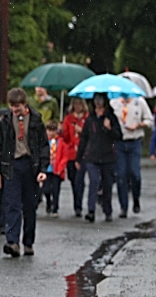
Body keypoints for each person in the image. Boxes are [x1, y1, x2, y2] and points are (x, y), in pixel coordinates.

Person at [0, 88, 49, 257]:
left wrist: (42, 169)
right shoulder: (5, 122)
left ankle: (28, 242)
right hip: (12, 165)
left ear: (25, 104)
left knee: (29, 206)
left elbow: (43, 146)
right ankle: (12, 242)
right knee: (12, 204)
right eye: (12, 106)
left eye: (17, 106)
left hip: (30, 165)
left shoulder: (35, 120)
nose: (14, 109)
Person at [76, 93, 122, 222]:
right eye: (96, 101)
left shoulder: (111, 118)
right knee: (94, 182)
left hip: (108, 157)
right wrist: (78, 158)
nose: (98, 103)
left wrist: (109, 128)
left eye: (100, 101)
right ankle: (91, 210)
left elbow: (119, 136)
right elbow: (84, 138)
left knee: (107, 184)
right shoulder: (90, 119)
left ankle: (107, 210)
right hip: (92, 157)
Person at [109, 95, 154, 218]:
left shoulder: (139, 102)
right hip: (120, 142)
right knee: (121, 175)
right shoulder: (114, 103)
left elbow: (149, 120)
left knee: (135, 174)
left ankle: (136, 197)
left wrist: (139, 125)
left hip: (135, 141)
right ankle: (123, 206)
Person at [61, 98, 89, 217]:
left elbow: (89, 135)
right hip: (71, 153)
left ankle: (78, 205)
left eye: (80, 104)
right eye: (76, 104)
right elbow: (65, 137)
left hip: (83, 153)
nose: (78, 106)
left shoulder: (87, 118)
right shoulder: (68, 119)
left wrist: (81, 131)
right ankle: (76, 200)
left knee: (79, 180)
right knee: (73, 179)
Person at [43, 120, 69, 218]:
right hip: (46, 169)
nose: (51, 133)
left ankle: (55, 208)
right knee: (46, 189)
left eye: (53, 130)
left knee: (56, 190)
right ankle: (48, 202)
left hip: (56, 169)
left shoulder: (60, 142)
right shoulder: (44, 142)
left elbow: (64, 156)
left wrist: (61, 168)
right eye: (49, 130)